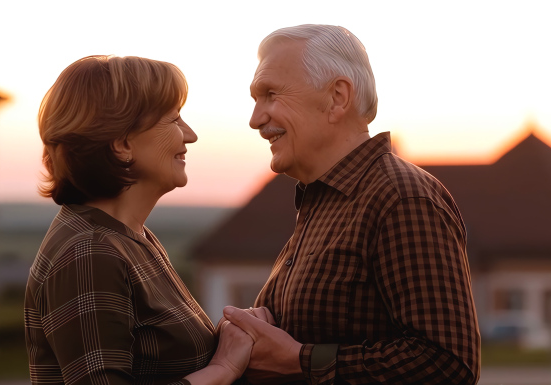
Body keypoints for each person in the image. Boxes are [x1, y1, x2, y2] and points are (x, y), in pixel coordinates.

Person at [222, 25, 480, 384]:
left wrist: (300, 359)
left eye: (270, 95)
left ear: (337, 98)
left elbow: (448, 363)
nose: (256, 119)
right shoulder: (324, 202)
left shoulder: (401, 199)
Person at [24, 55, 252, 385]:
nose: (189, 135)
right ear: (122, 143)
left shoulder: (130, 237)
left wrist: (232, 335)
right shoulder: (90, 252)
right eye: (174, 120)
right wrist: (224, 369)